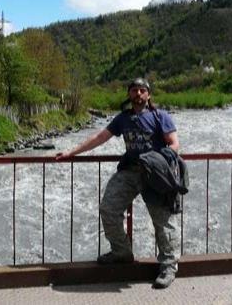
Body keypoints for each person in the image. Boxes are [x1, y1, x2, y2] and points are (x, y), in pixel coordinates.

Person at [56, 77, 180, 289]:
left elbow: (174, 143)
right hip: (130, 172)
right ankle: (122, 253)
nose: (138, 94)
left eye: (142, 90)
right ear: (129, 95)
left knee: (163, 221)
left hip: (155, 175)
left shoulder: (161, 117)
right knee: (108, 208)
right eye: (134, 91)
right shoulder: (123, 119)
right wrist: (71, 152)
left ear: (148, 95)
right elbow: (99, 137)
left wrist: (160, 161)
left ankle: (168, 266)